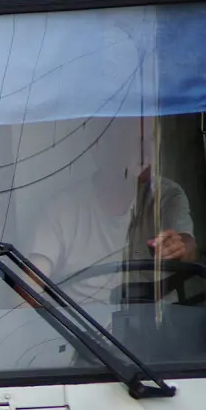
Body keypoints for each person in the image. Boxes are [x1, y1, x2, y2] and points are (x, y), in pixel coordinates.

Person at [27, 120, 197, 303]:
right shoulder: (61, 210)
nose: (148, 152)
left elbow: (188, 246)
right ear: (102, 148)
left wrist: (178, 248)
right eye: (138, 143)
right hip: (81, 330)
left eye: (151, 140)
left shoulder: (167, 196)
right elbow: (27, 289)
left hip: (157, 328)